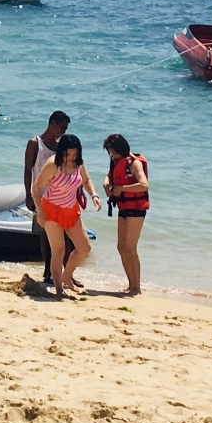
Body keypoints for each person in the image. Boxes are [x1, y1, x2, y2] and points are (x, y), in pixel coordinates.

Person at [30, 136, 95, 298]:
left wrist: (94, 195)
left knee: (84, 247)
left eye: (74, 154)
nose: (70, 158)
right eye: (68, 155)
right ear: (61, 152)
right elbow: (36, 188)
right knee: (58, 250)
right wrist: (40, 211)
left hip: (71, 209)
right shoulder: (53, 165)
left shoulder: (78, 164)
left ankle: (67, 275)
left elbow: (86, 180)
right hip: (51, 210)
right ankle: (59, 289)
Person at [24, 111, 72, 289]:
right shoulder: (35, 143)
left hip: (60, 197)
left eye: (65, 129)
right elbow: (28, 170)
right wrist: (28, 195)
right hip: (41, 196)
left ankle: (65, 274)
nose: (63, 132)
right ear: (52, 123)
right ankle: (47, 272)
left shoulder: (61, 147)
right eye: (61, 128)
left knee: (64, 238)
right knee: (45, 237)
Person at [102, 134, 149, 296]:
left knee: (130, 247)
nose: (112, 155)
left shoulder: (134, 163)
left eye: (114, 152)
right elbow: (109, 175)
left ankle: (137, 287)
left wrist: (122, 189)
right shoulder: (116, 162)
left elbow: (143, 185)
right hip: (123, 207)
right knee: (121, 247)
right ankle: (130, 284)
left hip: (137, 208)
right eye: (110, 153)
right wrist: (106, 184)